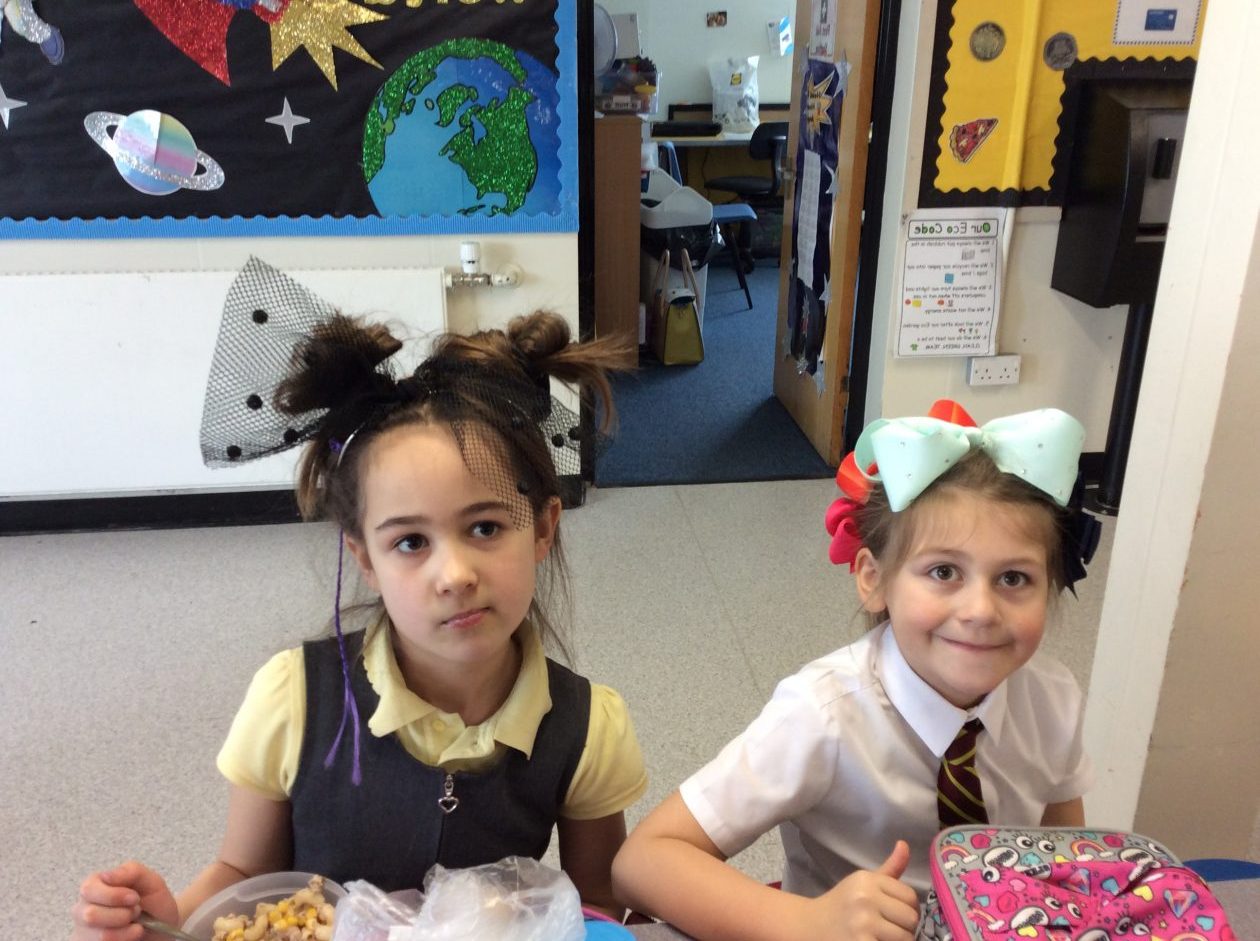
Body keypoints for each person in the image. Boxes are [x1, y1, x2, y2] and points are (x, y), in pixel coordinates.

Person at [72, 260, 647, 939]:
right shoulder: (294, 699)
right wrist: (173, 923)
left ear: (544, 527)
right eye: (410, 542)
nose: (454, 574)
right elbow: (242, 870)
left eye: (485, 528)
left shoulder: (587, 726)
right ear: (365, 558)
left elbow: (593, 907)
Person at [612, 399, 1101, 941]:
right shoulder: (822, 716)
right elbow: (642, 861)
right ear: (873, 578)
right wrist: (805, 922)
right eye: (944, 572)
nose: (981, 610)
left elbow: (1067, 861)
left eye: (1013, 578)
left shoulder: (1053, 699)